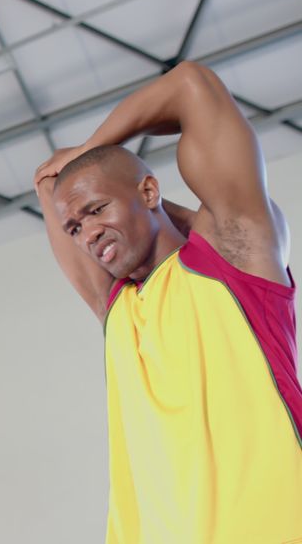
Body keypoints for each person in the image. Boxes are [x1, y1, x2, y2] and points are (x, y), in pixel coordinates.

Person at [34, 61, 302, 543]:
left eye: (98, 209)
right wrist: (96, 187)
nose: (88, 232)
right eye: (76, 228)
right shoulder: (116, 309)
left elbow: (189, 85)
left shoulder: (235, 255)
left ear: (150, 189)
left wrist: (92, 146)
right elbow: (49, 179)